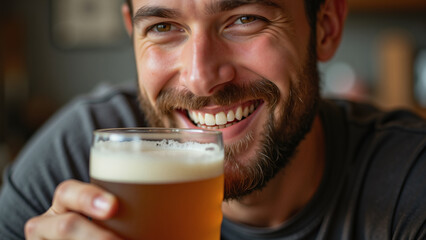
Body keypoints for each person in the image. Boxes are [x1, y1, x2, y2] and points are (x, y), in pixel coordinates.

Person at [0, 0, 425, 239]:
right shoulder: (78, 159)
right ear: (133, 33)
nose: (201, 78)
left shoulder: (411, 181)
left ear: (326, 27)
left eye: (245, 19)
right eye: (164, 26)